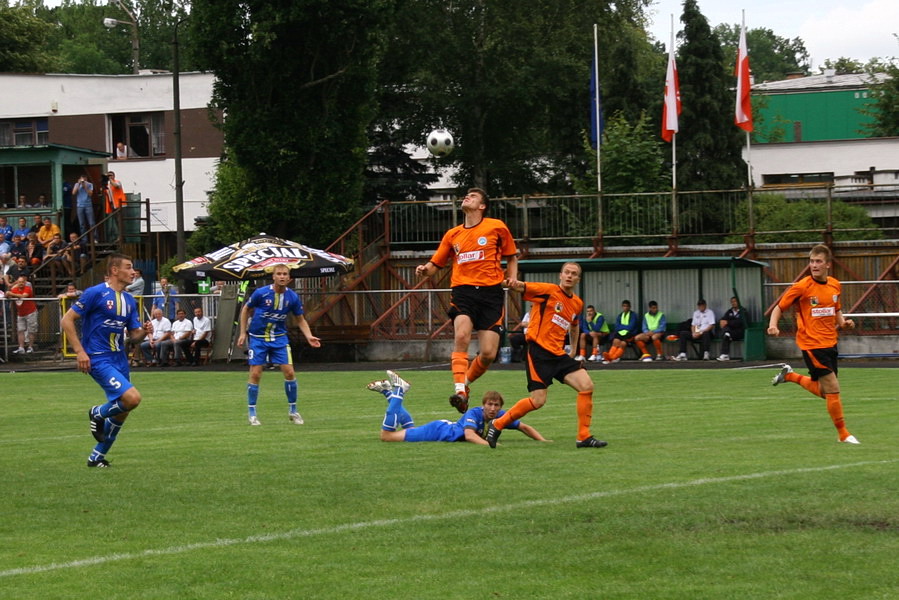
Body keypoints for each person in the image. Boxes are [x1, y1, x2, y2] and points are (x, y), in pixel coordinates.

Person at [414, 188, 519, 413]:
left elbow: (511, 256)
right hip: (463, 291)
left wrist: (512, 277)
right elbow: (435, 265)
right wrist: (424, 269)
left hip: (491, 293)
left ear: (482, 206)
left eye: (473, 196)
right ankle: (459, 389)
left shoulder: (496, 226)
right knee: (461, 335)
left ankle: (465, 386)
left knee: (489, 353)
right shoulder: (453, 234)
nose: (466, 197)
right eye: (466, 195)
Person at [485, 262, 608, 449]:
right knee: (538, 401)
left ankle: (583, 436)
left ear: (578, 279)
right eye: (566, 272)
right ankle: (498, 424)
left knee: (587, 386)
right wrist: (502, 282)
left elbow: (574, 325)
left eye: (573, 274)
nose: (569, 276)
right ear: (560, 275)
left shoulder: (577, 303)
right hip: (538, 352)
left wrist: (573, 349)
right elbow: (520, 286)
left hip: (558, 354)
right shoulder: (548, 291)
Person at [60, 253, 149, 467]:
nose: (133, 271)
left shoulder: (128, 299)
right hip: (99, 358)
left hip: (119, 358)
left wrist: (144, 332)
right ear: (114, 270)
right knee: (133, 398)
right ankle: (97, 413)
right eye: (128, 267)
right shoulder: (95, 293)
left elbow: (134, 337)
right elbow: (67, 319)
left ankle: (96, 457)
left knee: (124, 410)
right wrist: (80, 352)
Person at [767, 244, 859, 444]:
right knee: (833, 388)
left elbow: (836, 310)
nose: (814, 265)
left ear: (827, 264)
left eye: (818, 261)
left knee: (825, 392)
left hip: (830, 343)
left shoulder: (835, 284)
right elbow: (779, 307)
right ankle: (843, 434)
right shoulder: (802, 286)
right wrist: (773, 325)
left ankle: (790, 376)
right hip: (812, 345)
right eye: (811, 261)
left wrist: (844, 323)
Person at [237, 263, 321, 426]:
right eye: (279, 274)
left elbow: (300, 319)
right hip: (258, 338)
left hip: (280, 339)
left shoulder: (292, 297)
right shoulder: (261, 293)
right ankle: (252, 413)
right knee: (255, 374)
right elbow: (246, 309)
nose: (282, 276)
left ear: (289, 278)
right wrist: (242, 332)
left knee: (289, 372)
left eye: (285, 274)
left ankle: (293, 411)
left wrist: (309, 336)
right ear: (273, 276)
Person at [368, 370, 547, 445]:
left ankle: (388, 394)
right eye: (489, 404)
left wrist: (542, 441)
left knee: (408, 430)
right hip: (437, 431)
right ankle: (399, 390)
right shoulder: (475, 413)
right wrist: (490, 444)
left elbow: (523, 426)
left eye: (496, 405)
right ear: (483, 405)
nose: (493, 408)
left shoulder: (500, 416)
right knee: (387, 437)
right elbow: (469, 436)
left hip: (442, 427)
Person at [601, 300, 640, 364]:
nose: (625, 308)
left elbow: (631, 327)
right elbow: (616, 327)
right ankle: (609, 357)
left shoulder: (633, 315)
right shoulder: (620, 315)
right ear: (622, 307)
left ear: (630, 307)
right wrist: (625, 326)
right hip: (620, 333)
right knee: (615, 341)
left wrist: (622, 326)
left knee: (623, 343)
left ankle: (614, 357)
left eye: (627, 306)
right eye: (624, 306)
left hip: (630, 333)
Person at [7, 274, 37, 354]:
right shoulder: (15, 289)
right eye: (19, 282)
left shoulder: (28, 288)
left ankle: (30, 347)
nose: (20, 283)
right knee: (20, 330)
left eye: (22, 282)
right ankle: (21, 347)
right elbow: (8, 295)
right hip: (21, 313)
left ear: (25, 282)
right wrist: (8, 293)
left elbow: (23, 296)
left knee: (31, 329)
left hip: (31, 311)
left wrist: (11, 294)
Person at [717, 296, 747, 361]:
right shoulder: (729, 311)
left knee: (726, 333)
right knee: (727, 333)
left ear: (738, 302)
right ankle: (725, 355)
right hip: (730, 331)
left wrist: (728, 322)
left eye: (735, 301)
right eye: (732, 302)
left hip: (740, 332)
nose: (733, 303)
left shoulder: (743, 311)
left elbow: (740, 322)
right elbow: (724, 319)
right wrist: (722, 322)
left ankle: (724, 354)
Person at [104, 171, 126, 241]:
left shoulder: (117, 182)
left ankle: (121, 236)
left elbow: (116, 186)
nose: (110, 177)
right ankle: (119, 236)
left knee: (120, 220)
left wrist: (110, 179)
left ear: (114, 176)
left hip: (119, 204)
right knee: (116, 221)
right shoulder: (107, 185)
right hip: (113, 205)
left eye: (111, 175)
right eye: (109, 175)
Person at [73, 175, 96, 239]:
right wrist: (78, 184)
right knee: (82, 224)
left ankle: (94, 238)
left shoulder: (90, 184)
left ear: (86, 179)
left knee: (91, 223)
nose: (83, 180)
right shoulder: (77, 184)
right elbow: (73, 193)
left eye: (84, 179)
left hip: (88, 205)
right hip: (80, 206)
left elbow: (90, 194)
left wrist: (85, 186)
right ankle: (84, 239)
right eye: (82, 179)